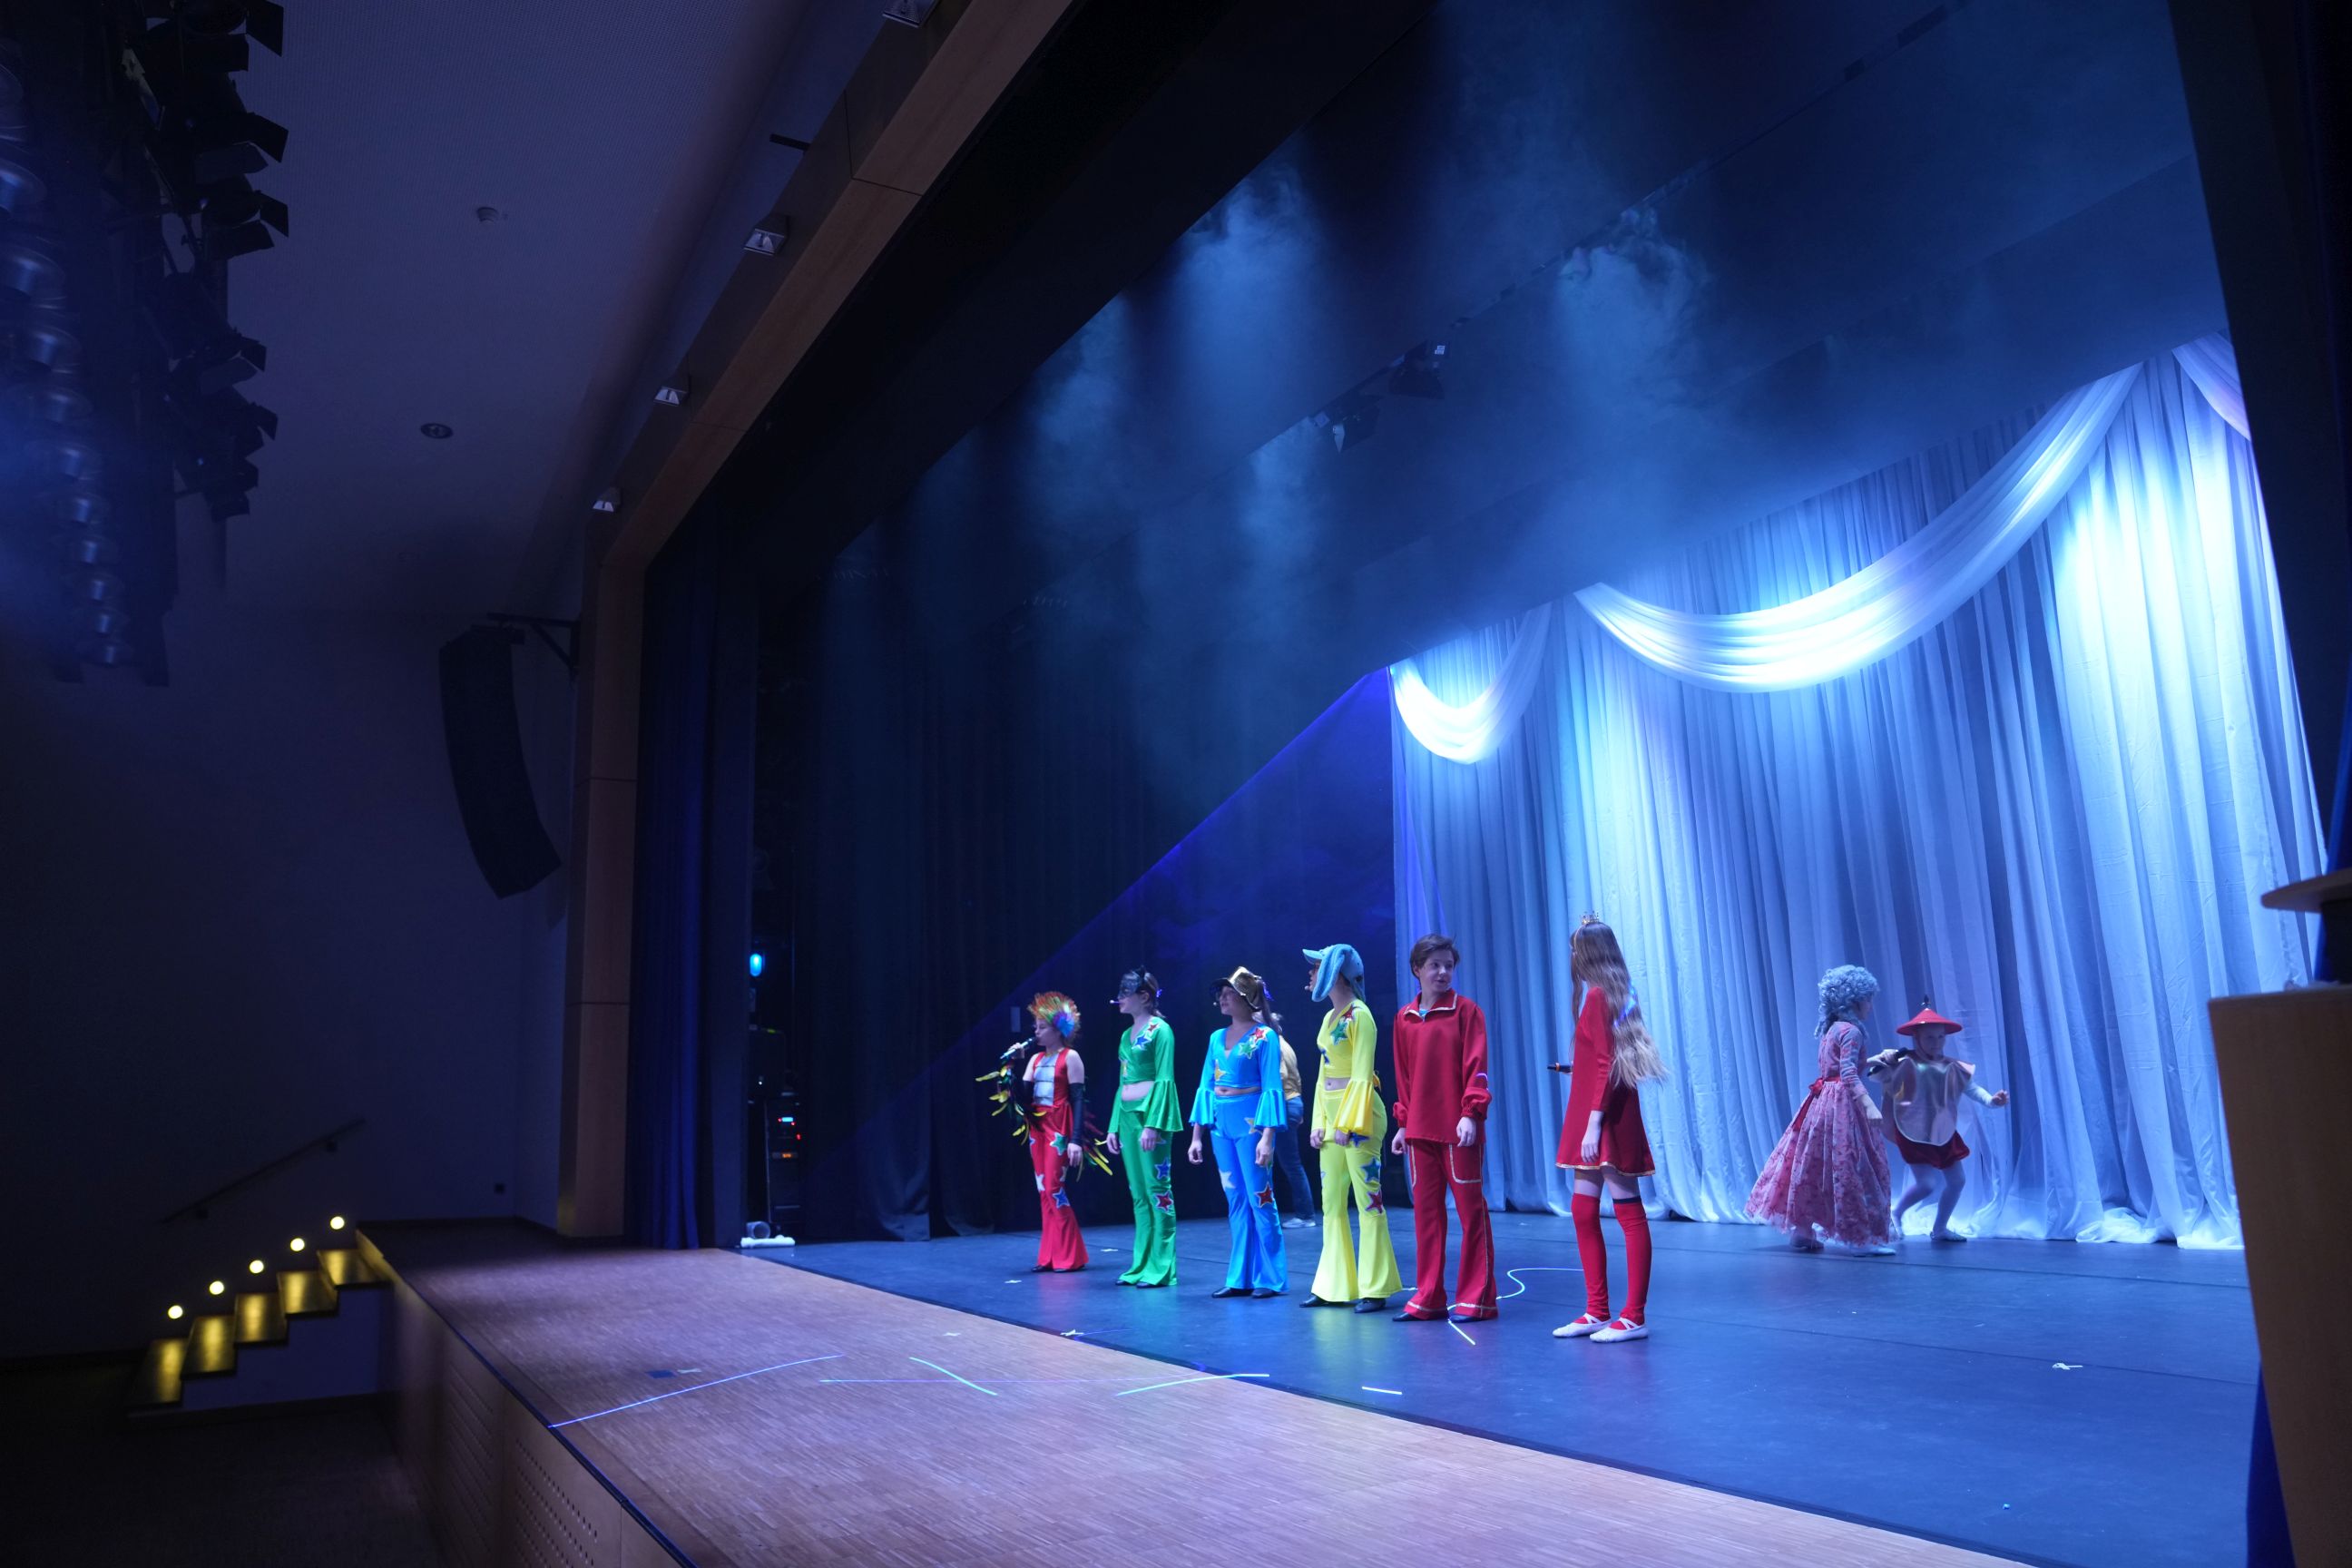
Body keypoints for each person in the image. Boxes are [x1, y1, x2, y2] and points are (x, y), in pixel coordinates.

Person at [1550, 917, 1667, 1343]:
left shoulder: (1600, 996)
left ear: (1586, 954)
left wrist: (1593, 1124)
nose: (1572, 957)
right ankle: (1597, 1309)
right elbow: (1605, 1058)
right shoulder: (1613, 994)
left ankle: (1634, 1315)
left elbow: (1606, 1064)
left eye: (1575, 949)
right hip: (1596, 1112)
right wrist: (1575, 1069)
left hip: (1604, 1118)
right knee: (1583, 1211)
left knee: (1628, 1212)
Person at [1744, 964, 1895, 1255]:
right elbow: (1848, 1074)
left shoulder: (1833, 1029)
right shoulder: (1852, 1031)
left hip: (1822, 1101)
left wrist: (1873, 1059)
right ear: (1855, 1000)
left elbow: (1839, 1067)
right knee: (1851, 1167)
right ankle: (1858, 1238)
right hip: (1842, 1106)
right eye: (1868, 1000)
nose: (1871, 1006)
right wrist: (1869, 1105)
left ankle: (1802, 1231)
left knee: (1814, 1166)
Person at [1389, 933, 1496, 1321]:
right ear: (1417, 969)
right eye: (1434, 965)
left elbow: (1477, 1067)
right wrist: (1403, 1123)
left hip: (1457, 1129)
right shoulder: (1404, 1018)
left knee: (1471, 1212)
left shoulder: (1466, 1012)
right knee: (1427, 1216)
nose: (1442, 972)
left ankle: (1476, 1298)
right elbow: (1403, 1076)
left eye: (1448, 966)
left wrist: (1471, 1112)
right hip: (1420, 1131)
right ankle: (1429, 1295)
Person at [1299, 944, 1402, 1312]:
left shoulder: (1361, 1016)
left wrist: (1348, 1122)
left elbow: (1361, 1074)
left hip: (1360, 1118)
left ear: (1336, 973)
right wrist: (1320, 1121)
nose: (1311, 974)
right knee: (1331, 1203)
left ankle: (1375, 1287)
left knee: (1368, 1200)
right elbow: (1322, 1076)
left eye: (1316, 967)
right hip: (1332, 1118)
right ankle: (1333, 1285)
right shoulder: (1329, 1019)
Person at [1868, 998, 2010, 1241]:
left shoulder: (1952, 1066)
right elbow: (1873, 1073)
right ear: (1917, 1038)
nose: (1936, 1042)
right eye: (1930, 1037)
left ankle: (1940, 1228)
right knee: (1926, 1184)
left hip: (1943, 1131)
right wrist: (1884, 1058)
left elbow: (1971, 1088)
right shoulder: (1904, 1062)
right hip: (1913, 1131)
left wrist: (1991, 1101)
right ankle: (1896, 1213)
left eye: (1940, 1037)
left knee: (1957, 1181)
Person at [1188, 967, 1289, 1297]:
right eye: (1222, 993)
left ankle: (1270, 1278)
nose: (1223, 997)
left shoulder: (1265, 1036)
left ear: (1248, 998)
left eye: (1230, 992)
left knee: (1260, 1197)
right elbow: (1206, 1085)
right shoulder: (1216, 1038)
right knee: (1235, 1199)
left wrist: (1267, 1137)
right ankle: (1240, 1277)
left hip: (1251, 1122)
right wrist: (1196, 1136)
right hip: (1221, 1124)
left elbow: (1272, 1087)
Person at [1104, 968, 1183, 1287]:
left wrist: (1153, 1124)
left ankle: (1161, 1267)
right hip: (1126, 1118)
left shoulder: (1161, 1030)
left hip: (1151, 1117)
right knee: (1138, 1193)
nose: (1119, 999)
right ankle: (1140, 1264)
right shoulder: (1126, 1036)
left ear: (1144, 996)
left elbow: (1165, 1078)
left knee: (1158, 1190)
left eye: (1125, 994)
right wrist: (1113, 1126)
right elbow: (1123, 1081)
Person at [1019, 992, 1089, 1273]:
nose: (1036, 1032)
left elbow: (1079, 1100)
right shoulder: (1035, 1059)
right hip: (1037, 1129)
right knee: (1043, 1191)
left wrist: (1076, 1140)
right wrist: (1011, 1066)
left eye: (1042, 1027)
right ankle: (1049, 1255)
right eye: (1035, 1027)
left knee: (1054, 1189)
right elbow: (1023, 1098)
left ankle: (1071, 1255)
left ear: (1058, 1029)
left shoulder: (1071, 1057)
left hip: (1059, 1129)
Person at [1272, 1033, 1318, 1228]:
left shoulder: (1275, 1045)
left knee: (1291, 1164)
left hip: (1284, 1103)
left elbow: (1280, 1075)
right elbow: (1297, 1078)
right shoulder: (1286, 1044)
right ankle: (1305, 1214)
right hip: (1292, 1101)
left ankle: (1305, 1215)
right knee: (1291, 1163)